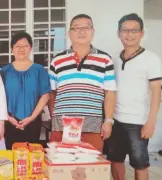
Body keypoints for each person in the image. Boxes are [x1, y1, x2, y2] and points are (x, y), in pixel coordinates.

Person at [105, 14, 162, 180]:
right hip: (116, 118)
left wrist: (151, 121)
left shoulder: (151, 59)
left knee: (140, 163)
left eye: (134, 30)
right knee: (115, 159)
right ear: (119, 33)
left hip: (138, 121)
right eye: (125, 30)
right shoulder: (113, 57)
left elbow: (156, 91)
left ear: (142, 33)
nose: (129, 34)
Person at [48, 14, 116, 152]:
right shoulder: (57, 60)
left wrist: (108, 121)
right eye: (77, 28)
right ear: (69, 33)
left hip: (92, 123)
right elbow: (52, 93)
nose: (82, 32)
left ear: (93, 31)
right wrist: (55, 120)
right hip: (62, 123)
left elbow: (110, 92)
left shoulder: (105, 59)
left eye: (86, 27)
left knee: (91, 165)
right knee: (62, 164)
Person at [0, 32, 50, 150]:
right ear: (12, 49)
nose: (21, 49)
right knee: (11, 157)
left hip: (33, 120)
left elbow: (45, 95)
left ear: (31, 48)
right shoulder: (4, 71)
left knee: (32, 157)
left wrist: (32, 117)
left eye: (25, 46)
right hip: (10, 121)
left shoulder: (39, 70)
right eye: (17, 46)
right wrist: (8, 117)